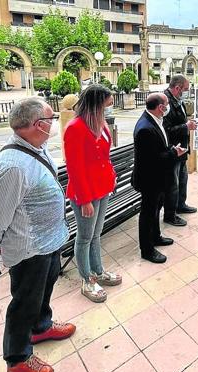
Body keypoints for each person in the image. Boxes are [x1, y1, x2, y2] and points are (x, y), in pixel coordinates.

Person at [0, 97, 75, 372]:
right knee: (24, 302)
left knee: (44, 289)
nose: (55, 123)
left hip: (49, 240)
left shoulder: (37, 147)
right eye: (51, 118)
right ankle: (18, 357)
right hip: (29, 247)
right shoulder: (12, 166)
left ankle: (41, 325)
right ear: (38, 125)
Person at [64, 85, 122, 303]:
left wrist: (112, 176)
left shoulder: (100, 123)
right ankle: (86, 279)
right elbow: (74, 168)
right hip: (85, 191)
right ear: (97, 103)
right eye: (107, 103)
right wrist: (84, 199)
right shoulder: (75, 127)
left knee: (97, 234)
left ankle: (98, 271)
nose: (109, 107)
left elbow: (105, 157)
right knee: (85, 237)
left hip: (103, 186)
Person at [132, 93, 187, 263]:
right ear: (160, 107)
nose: (168, 106)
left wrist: (170, 148)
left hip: (158, 178)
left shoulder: (154, 120)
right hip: (150, 179)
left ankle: (155, 237)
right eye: (166, 104)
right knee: (148, 213)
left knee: (156, 209)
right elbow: (152, 160)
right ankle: (147, 250)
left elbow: (158, 148)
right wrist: (173, 152)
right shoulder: (145, 128)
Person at [162, 75, 198, 227]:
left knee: (183, 179)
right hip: (173, 150)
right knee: (172, 184)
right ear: (177, 88)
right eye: (185, 90)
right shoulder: (165, 102)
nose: (186, 92)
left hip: (181, 148)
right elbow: (165, 130)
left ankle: (180, 205)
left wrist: (187, 124)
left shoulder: (177, 100)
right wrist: (186, 127)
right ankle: (170, 215)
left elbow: (181, 121)